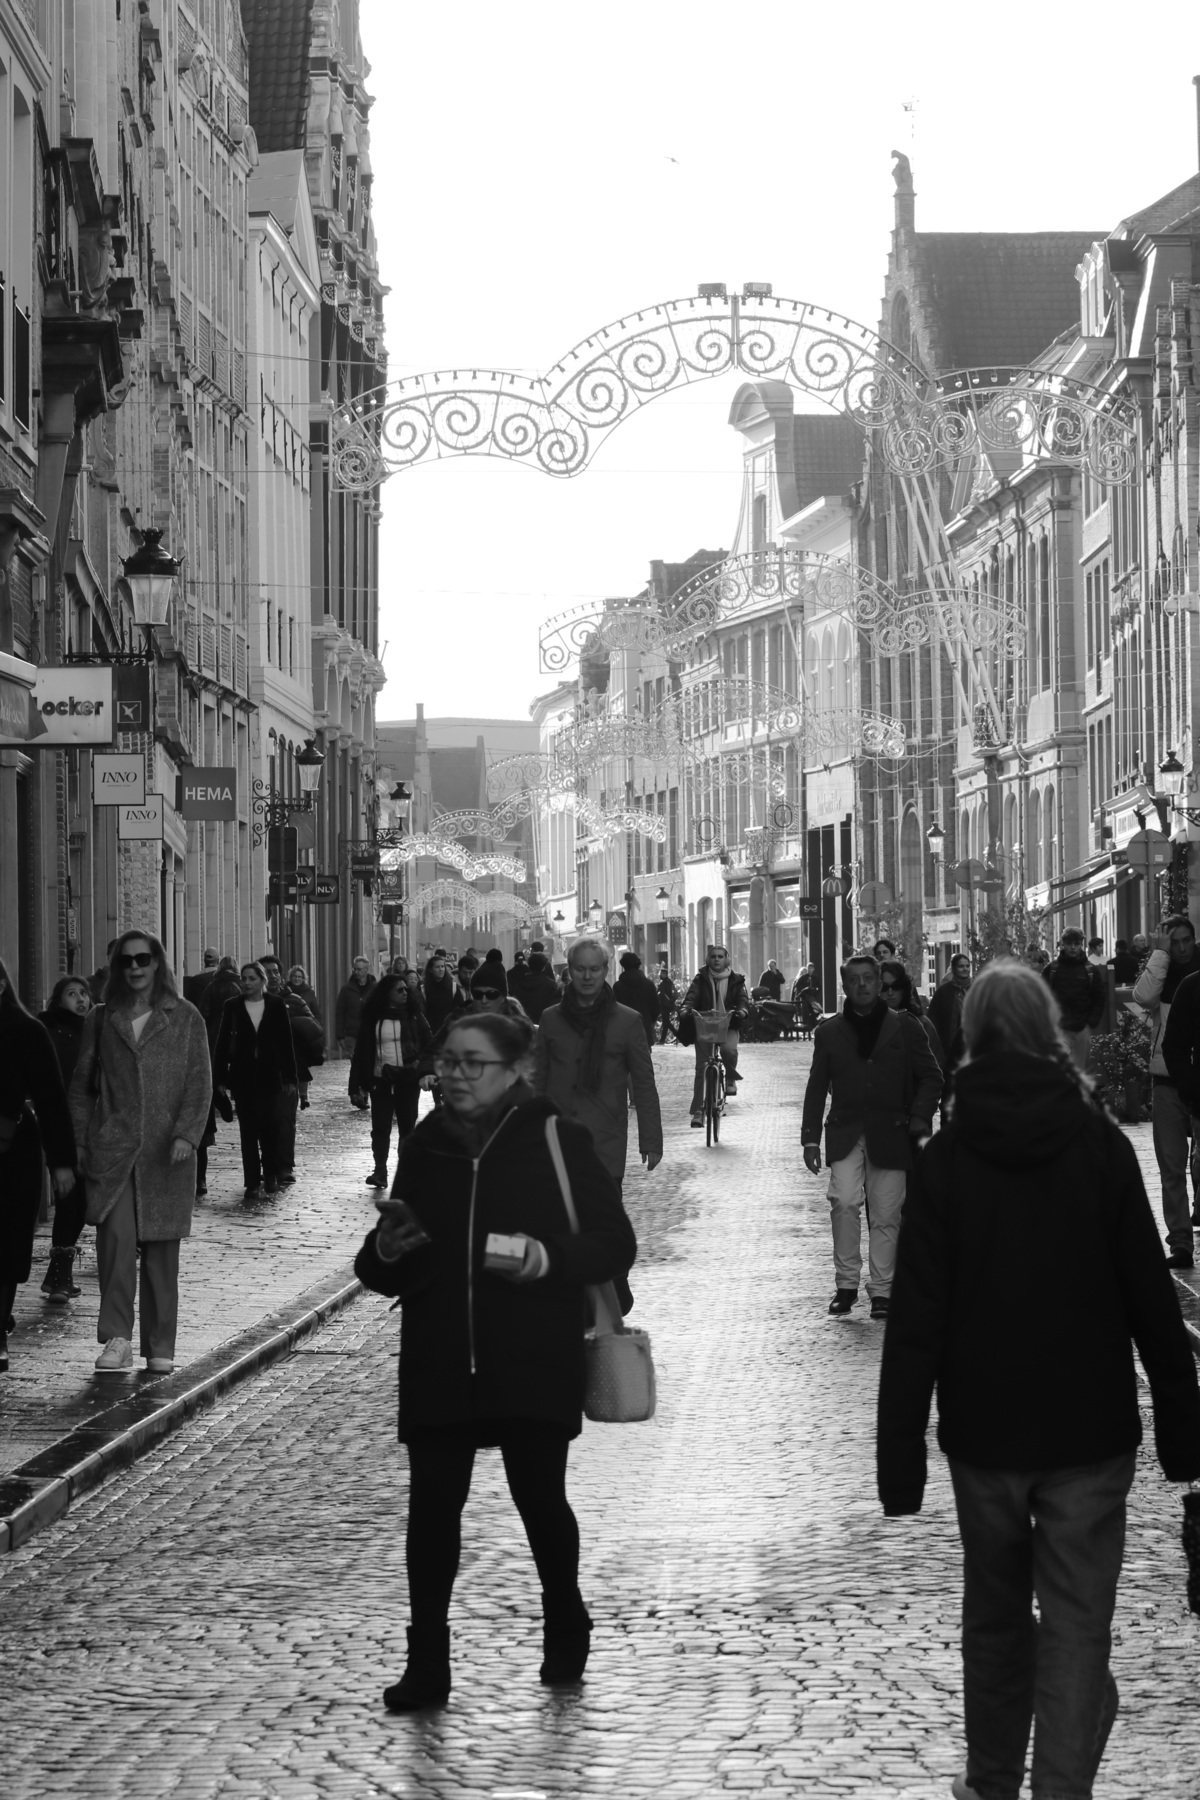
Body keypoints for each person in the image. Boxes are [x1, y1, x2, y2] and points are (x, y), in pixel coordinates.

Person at [877, 960, 1200, 1800]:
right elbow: (1150, 1295)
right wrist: (1183, 1424)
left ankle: (991, 1784)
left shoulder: (947, 1160)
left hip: (986, 1431)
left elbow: (916, 1322)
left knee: (993, 1616)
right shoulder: (1098, 1146)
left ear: (971, 1037)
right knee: (1076, 1625)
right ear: (1050, 1030)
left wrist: (899, 1455)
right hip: (1089, 1427)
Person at [354, 1009, 637, 1711]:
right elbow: (381, 1264)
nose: (454, 1075)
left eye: (471, 1063)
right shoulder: (426, 1145)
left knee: (540, 1500)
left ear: (516, 1069)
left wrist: (545, 1258)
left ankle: (565, 1617)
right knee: (432, 1508)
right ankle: (427, 1661)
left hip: (530, 1353)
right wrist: (387, 1247)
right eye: (447, 1061)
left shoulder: (557, 1139)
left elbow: (614, 1243)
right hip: (440, 1351)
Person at [70, 930, 211, 1375]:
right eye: (126, 961)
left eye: (143, 959)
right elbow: (82, 1086)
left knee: (161, 1253)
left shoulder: (185, 1017)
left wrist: (187, 1134)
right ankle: (117, 1338)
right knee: (115, 1242)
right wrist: (80, 1140)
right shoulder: (101, 1018)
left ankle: (160, 1344)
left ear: (157, 963)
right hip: (113, 1149)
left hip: (167, 1154)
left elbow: (200, 1082)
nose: (134, 967)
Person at [801, 952, 941, 1320]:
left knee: (886, 1213)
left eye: (868, 979)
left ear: (879, 984)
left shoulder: (906, 1027)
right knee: (844, 1201)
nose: (861, 985)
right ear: (844, 985)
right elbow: (816, 1087)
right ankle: (846, 1285)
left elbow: (932, 1076)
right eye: (854, 980)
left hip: (892, 1132)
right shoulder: (828, 1032)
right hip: (846, 1129)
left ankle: (882, 1290)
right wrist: (810, 1138)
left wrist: (920, 1116)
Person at [533, 940, 662, 1191]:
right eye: (580, 969)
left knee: (603, 1213)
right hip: (558, 1139)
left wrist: (651, 1140)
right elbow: (538, 1078)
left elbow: (644, 1083)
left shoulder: (627, 1021)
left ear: (605, 970)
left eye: (594, 969)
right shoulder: (551, 1019)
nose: (587, 976)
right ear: (570, 970)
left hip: (605, 1139)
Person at [0, 961, 76, 1371]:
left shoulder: (27, 1031)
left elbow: (51, 1100)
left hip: (13, 1153)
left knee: (7, 1241)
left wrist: (61, 1163)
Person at [1129, 915, 1200, 1269]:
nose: (1182, 948)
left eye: (1187, 940)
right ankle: (1181, 1243)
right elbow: (1143, 996)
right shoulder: (1163, 972)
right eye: (1175, 942)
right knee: (1171, 1166)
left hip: (1199, 1081)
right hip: (1168, 1078)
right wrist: (1160, 954)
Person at [213, 961, 297, 1200]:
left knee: (270, 1127)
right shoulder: (233, 1006)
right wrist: (220, 1077)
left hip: (270, 1076)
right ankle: (251, 1181)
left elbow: (285, 1042)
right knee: (248, 1131)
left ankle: (270, 1174)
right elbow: (222, 1043)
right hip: (243, 1077)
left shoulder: (276, 1004)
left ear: (262, 981)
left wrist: (290, 1077)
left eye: (252, 978)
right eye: (244, 978)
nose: (247, 983)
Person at [37, 976, 94, 1303]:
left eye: (83, 993)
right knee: (70, 1200)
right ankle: (59, 1277)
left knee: (79, 1202)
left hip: (87, 1127)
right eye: (72, 994)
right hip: (60, 1125)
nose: (80, 999)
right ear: (59, 1000)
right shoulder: (49, 1030)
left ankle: (57, 1275)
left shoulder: (93, 1030)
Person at [351, 973, 435, 1189]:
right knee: (380, 1128)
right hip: (381, 1081)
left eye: (406, 989)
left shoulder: (414, 1016)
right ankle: (380, 1170)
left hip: (408, 1080)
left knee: (407, 1127)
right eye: (400, 990)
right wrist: (356, 1084)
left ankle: (405, 1171)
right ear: (387, 993)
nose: (405, 992)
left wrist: (422, 1065)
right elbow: (362, 1051)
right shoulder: (373, 1017)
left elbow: (429, 1043)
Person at [680, 944, 751, 1127]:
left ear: (727, 959)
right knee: (701, 1069)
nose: (717, 959)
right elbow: (691, 997)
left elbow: (743, 1000)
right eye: (713, 956)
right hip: (705, 1026)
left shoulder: (736, 979)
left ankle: (730, 1078)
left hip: (728, 1025)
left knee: (729, 1051)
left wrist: (742, 1011)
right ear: (708, 960)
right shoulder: (700, 979)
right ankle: (698, 1111)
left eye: (720, 956)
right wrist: (686, 1009)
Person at [263, 962, 319, 1173]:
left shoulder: (294, 1000)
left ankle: (285, 1165)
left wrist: (290, 1023)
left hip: (288, 1068)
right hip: (260, 1070)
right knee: (264, 1121)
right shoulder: (251, 1002)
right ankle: (268, 1165)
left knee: (286, 1119)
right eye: (268, 972)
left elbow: (314, 1028)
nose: (273, 976)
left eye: (276, 972)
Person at [1043, 927, 1106, 1069]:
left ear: (1081, 944)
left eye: (1076, 943)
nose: (1072, 947)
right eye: (1069, 943)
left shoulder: (1090, 970)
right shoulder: (1052, 969)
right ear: (1063, 944)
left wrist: (1090, 1023)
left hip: (1081, 1028)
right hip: (1059, 1028)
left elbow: (1099, 998)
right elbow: (1041, 996)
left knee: (1078, 1072)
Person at [879, 958, 945, 1076]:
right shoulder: (869, 1023)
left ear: (904, 989)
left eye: (896, 986)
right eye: (885, 987)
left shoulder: (922, 1024)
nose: (890, 992)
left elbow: (936, 1068)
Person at [928, 954, 972, 1073]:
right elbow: (933, 1021)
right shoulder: (943, 992)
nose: (965, 969)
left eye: (967, 966)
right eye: (961, 966)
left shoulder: (976, 989)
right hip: (948, 1049)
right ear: (953, 968)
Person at [612, 951, 659, 1050]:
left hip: (623, 1031)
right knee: (644, 1058)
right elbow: (656, 1009)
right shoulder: (649, 985)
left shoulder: (618, 986)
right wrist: (649, 1021)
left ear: (623, 966)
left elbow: (613, 1010)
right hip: (644, 1029)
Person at [335, 955, 377, 1057]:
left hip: (371, 1033)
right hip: (352, 1034)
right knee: (355, 1062)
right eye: (354, 969)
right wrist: (340, 1036)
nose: (356, 972)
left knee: (370, 1061)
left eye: (359, 969)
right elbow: (340, 1013)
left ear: (366, 970)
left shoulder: (375, 988)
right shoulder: (346, 989)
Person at [506, 950, 560, 1025]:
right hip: (544, 1024)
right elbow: (555, 1008)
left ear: (529, 965)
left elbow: (515, 1007)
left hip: (524, 1025)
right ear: (544, 967)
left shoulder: (519, 984)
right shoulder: (551, 985)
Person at [422, 953, 468, 1035]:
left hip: (449, 1031)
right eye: (437, 967)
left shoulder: (453, 987)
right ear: (430, 970)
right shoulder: (423, 989)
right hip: (430, 1032)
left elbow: (460, 1010)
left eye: (442, 966)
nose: (441, 969)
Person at [655, 965, 678, 1044]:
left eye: (661, 974)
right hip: (667, 1004)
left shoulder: (665, 983)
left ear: (664, 974)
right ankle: (662, 1039)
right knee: (666, 1022)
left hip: (665, 1005)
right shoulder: (668, 982)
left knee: (666, 1022)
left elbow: (662, 994)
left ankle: (677, 1034)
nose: (660, 975)